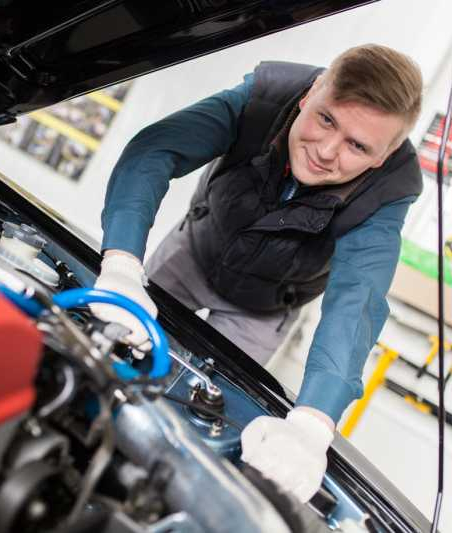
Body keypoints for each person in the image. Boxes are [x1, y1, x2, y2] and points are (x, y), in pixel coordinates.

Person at [91, 44, 423, 502]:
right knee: (116, 347)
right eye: (327, 119)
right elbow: (156, 149)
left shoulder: (389, 192)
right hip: (194, 253)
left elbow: (357, 299)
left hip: (263, 310)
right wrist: (122, 263)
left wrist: (312, 423)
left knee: (201, 415)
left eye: (358, 146)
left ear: (382, 157)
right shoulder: (264, 98)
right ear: (309, 94)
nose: (326, 152)